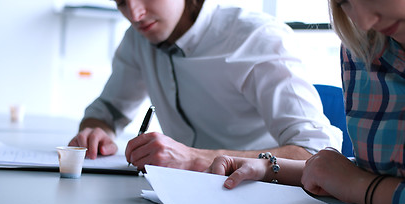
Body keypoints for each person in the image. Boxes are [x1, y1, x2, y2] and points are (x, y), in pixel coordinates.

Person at [68, 0, 342, 172]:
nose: (135, 13)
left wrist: (195, 159)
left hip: (259, 200)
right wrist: (96, 131)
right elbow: (106, 110)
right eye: (120, 2)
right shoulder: (138, 39)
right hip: (176, 197)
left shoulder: (257, 37)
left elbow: (315, 153)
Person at [208, 0, 405, 204]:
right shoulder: (361, 46)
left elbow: (357, 182)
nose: (365, 20)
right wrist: (271, 168)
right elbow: (383, 174)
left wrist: (358, 187)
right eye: (344, 2)